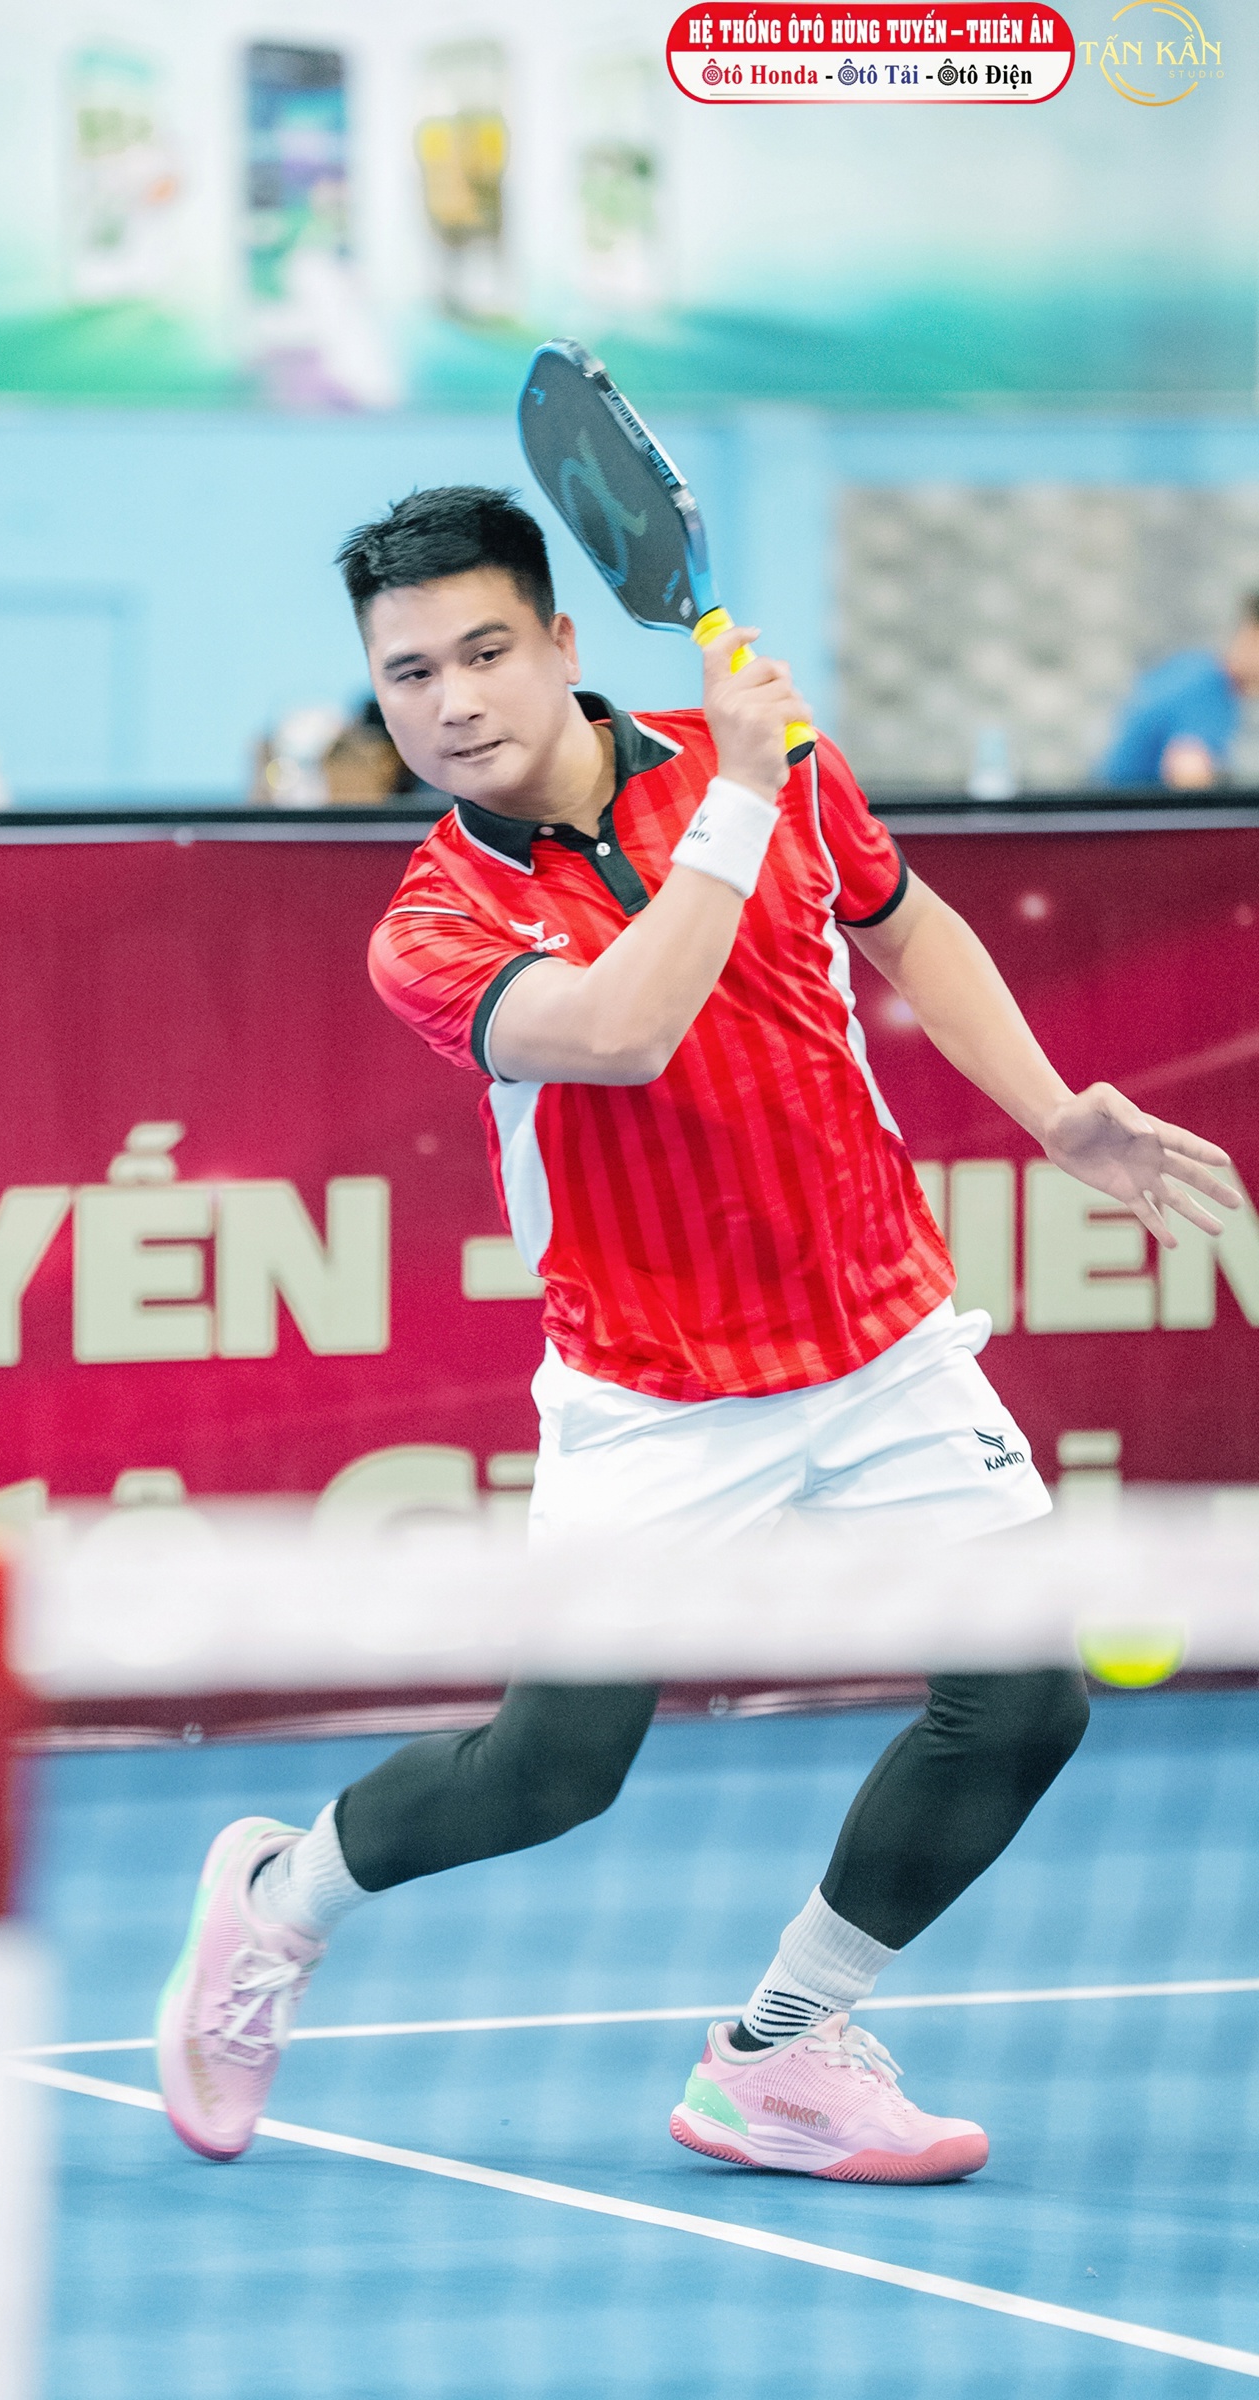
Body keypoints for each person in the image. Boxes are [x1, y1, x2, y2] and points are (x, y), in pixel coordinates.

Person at [156, 487, 1238, 2183]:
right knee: (551, 1773)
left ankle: (780, 2053)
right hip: (655, 1396)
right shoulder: (432, 925)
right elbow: (622, 1028)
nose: (453, 702)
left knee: (1023, 1701)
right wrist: (739, 792)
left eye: (486, 652)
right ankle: (281, 1898)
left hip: (882, 1338)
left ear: (562, 641)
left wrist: (1051, 1112)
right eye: (411, 674)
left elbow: (905, 918)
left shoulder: (769, 764)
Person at [1099, 596, 1259, 789]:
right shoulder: (1208, 695)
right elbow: (1190, 779)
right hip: (1126, 803)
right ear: (1251, 636)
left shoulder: (1191, 666)